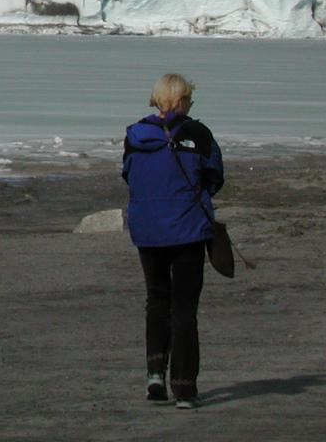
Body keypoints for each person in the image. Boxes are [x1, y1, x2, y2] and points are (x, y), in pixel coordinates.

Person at [121, 73, 224, 410]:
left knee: (157, 300)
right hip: (186, 229)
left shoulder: (136, 135)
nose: (190, 106)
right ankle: (184, 387)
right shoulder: (198, 133)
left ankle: (155, 374)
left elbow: (129, 175)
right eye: (189, 100)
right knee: (184, 308)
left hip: (148, 231)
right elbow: (214, 176)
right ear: (181, 101)